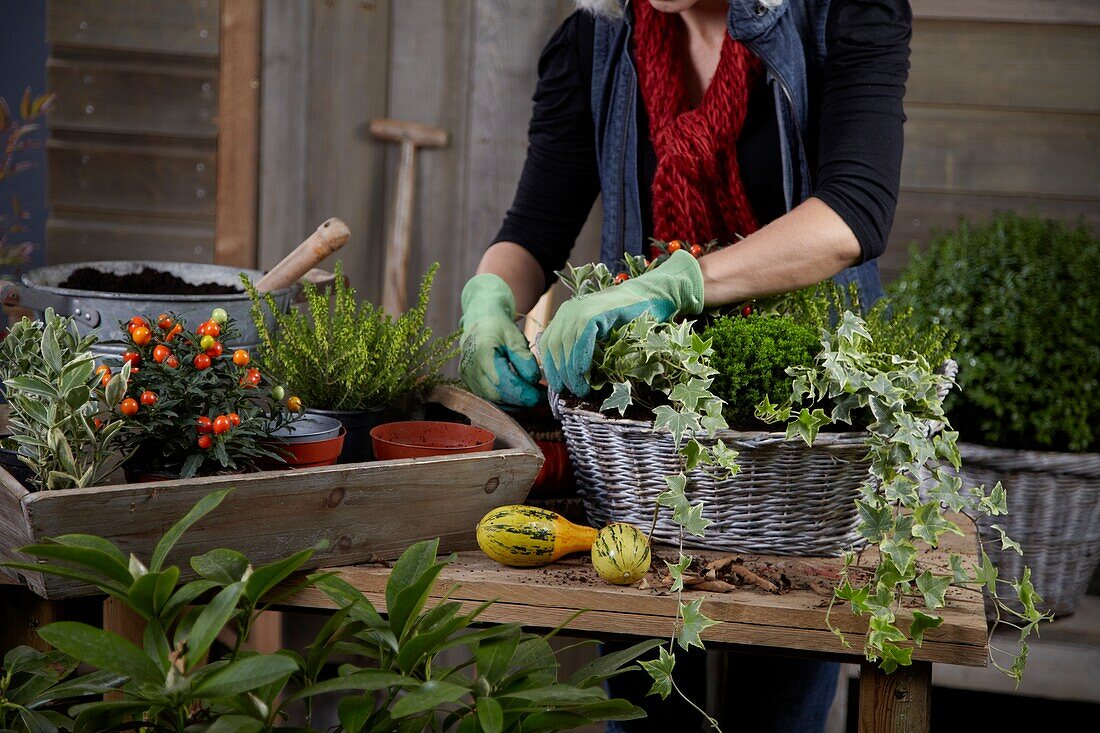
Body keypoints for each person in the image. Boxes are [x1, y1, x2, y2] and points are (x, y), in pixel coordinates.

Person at [460, 0, 911, 729]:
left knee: (780, 703)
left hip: (797, 442)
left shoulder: (844, 15)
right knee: (647, 702)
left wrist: (672, 283)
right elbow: (534, 230)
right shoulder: (598, 42)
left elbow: (852, 213)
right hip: (647, 442)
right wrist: (487, 299)